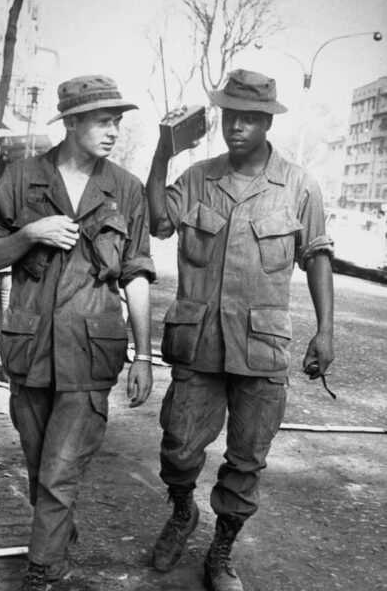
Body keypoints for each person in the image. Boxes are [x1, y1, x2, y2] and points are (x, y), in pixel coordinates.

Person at [146, 69, 334, 591]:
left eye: (250, 117)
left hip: (262, 347)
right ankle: (183, 512)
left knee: (247, 458)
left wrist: (326, 331)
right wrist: (163, 154)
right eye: (230, 115)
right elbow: (160, 222)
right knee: (179, 447)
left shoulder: (299, 185)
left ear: (267, 122)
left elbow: (317, 256)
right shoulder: (199, 177)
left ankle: (221, 550)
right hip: (199, 340)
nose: (237, 126)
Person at [0, 75, 156, 591]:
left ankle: (44, 570)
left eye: (117, 120)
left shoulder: (124, 188)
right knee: (39, 467)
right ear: (72, 122)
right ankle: (57, 535)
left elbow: (136, 273)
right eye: (103, 120)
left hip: (89, 353)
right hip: (28, 348)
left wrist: (144, 356)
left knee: (58, 470)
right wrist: (30, 233)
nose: (113, 130)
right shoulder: (22, 178)